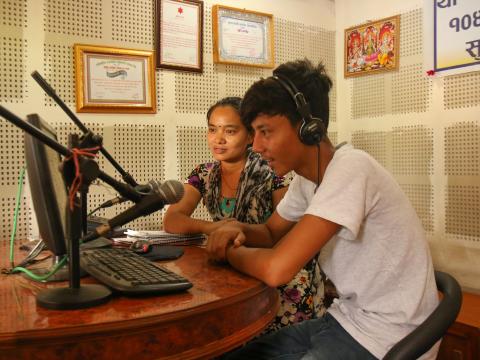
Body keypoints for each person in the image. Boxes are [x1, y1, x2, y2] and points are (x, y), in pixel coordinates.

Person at [206, 60, 439, 359]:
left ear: (308, 127)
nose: (258, 146)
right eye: (255, 132)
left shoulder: (351, 168)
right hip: (347, 320)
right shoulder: (307, 180)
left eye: (265, 131)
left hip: (390, 334)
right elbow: (268, 232)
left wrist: (230, 252)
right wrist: (235, 229)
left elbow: (277, 269)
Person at [163, 96, 327, 332]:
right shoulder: (203, 174)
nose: (218, 139)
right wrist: (213, 228)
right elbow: (172, 219)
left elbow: (284, 233)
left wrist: (233, 234)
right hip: (232, 262)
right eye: (212, 130)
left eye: (230, 131)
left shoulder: (272, 171)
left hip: (276, 269)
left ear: (250, 136)